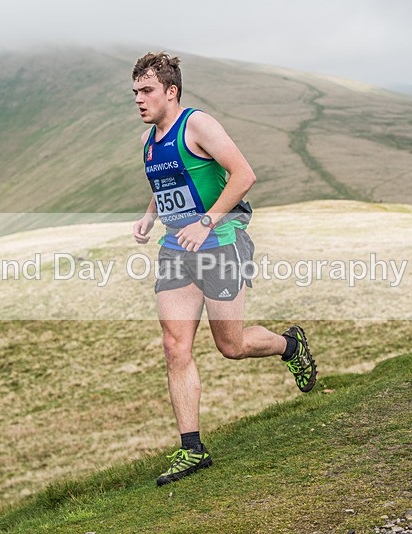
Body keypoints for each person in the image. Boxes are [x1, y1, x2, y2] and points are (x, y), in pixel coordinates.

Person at [131, 52, 317, 487]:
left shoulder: (199, 125)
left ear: (170, 92)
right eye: (135, 92)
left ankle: (290, 346)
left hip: (220, 241)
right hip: (176, 247)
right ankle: (192, 449)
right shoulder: (148, 142)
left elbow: (243, 175)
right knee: (175, 345)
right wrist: (149, 216)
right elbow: (167, 185)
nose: (139, 100)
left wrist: (207, 220)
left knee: (230, 345)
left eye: (147, 91)